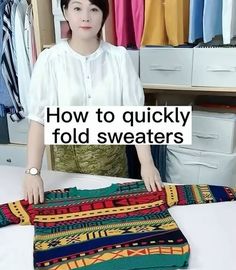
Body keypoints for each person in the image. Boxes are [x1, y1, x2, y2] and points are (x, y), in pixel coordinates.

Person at [23, 0, 163, 205]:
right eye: (77, 8)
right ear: (65, 12)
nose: (86, 17)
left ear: (104, 15)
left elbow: (135, 117)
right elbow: (39, 120)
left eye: (94, 9)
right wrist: (32, 171)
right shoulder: (49, 60)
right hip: (67, 173)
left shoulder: (119, 57)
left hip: (114, 171)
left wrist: (147, 164)